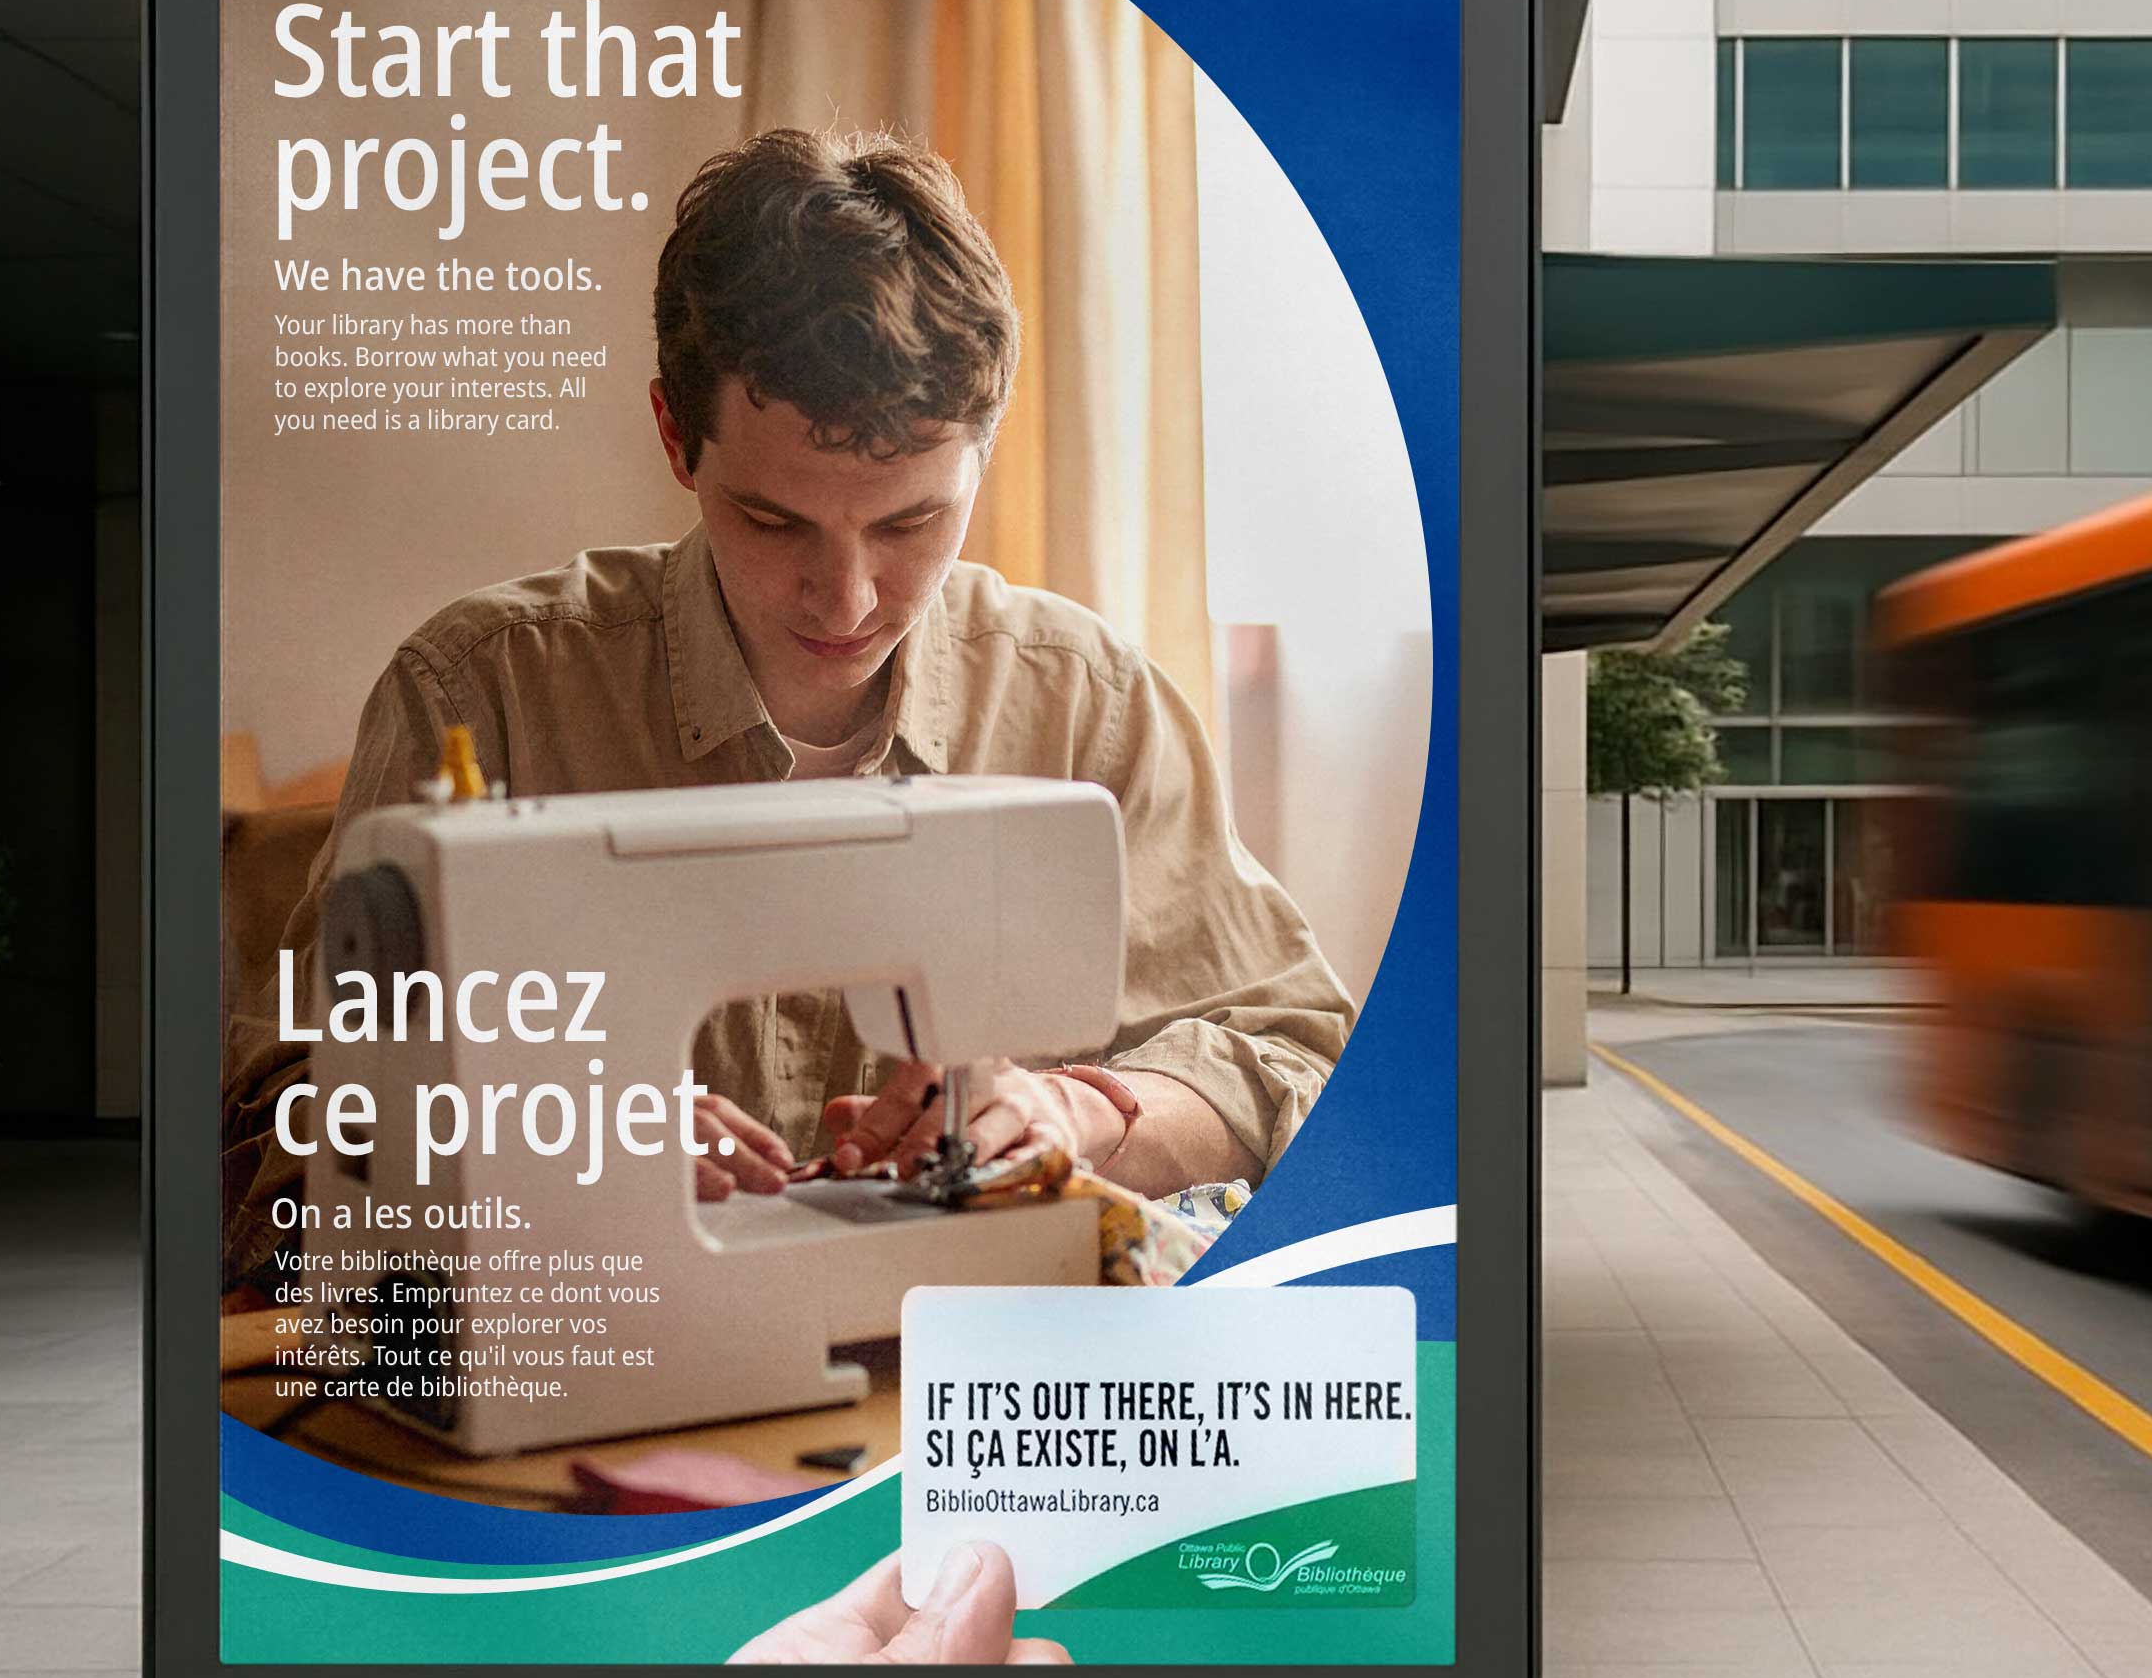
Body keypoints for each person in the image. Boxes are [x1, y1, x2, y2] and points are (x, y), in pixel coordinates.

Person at [221, 126, 1351, 1290]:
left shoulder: (1089, 708)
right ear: (675, 435)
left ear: (983, 453)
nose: (849, 596)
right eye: (775, 522)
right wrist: (546, 1130)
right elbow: (272, 1134)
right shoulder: (484, 691)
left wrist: (1078, 1113)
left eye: (911, 522)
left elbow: (1298, 1057)